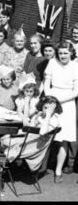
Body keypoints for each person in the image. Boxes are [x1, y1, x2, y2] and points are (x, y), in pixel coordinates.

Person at [43, 41, 78, 182]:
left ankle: (58, 171)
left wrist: (59, 101)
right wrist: (49, 98)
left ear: (71, 53)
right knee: (45, 133)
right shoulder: (52, 63)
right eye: (60, 53)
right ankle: (40, 167)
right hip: (51, 99)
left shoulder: (76, 66)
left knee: (63, 139)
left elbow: (76, 91)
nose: (62, 56)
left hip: (67, 103)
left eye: (65, 53)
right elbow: (46, 81)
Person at [0, 95, 61, 172]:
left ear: (55, 110)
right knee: (5, 138)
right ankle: (11, 163)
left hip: (37, 145)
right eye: (45, 108)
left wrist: (48, 115)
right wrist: (34, 119)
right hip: (31, 138)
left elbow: (42, 132)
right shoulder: (40, 115)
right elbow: (29, 127)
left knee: (11, 144)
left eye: (50, 109)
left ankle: (2, 165)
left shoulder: (54, 119)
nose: (47, 111)